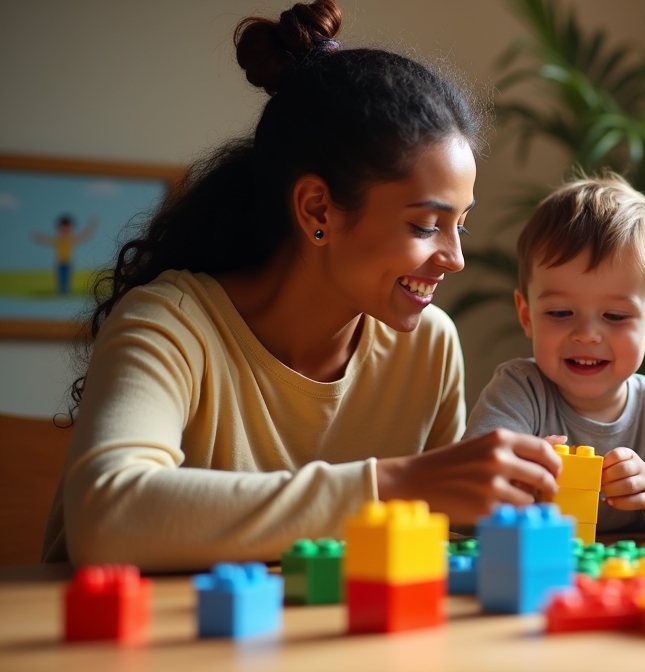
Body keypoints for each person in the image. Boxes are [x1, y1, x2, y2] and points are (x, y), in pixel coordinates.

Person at [42, 0, 563, 572]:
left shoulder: (427, 346)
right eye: (424, 225)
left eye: (460, 225)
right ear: (319, 208)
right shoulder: (169, 325)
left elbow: (441, 544)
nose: (456, 258)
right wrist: (393, 485)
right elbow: (107, 518)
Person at [464, 175, 645, 533]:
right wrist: (518, 476)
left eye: (615, 316)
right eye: (560, 313)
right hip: (540, 567)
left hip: (633, 580)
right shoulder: (518, 389)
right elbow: (470, 487)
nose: (586, 335)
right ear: (526, 315)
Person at [32, 214, 97, 294]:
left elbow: (84, 236)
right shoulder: (58, 239)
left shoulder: (71, 239)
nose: (65, 230)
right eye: (63, 228)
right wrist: (38, 237)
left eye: (67, 228)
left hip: (68, 262)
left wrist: (91, 227)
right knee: (61, 276)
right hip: (60, 262)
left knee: (67, 276)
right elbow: (46, 240)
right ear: (59, 228)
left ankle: (65, 290)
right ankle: (62, 290)